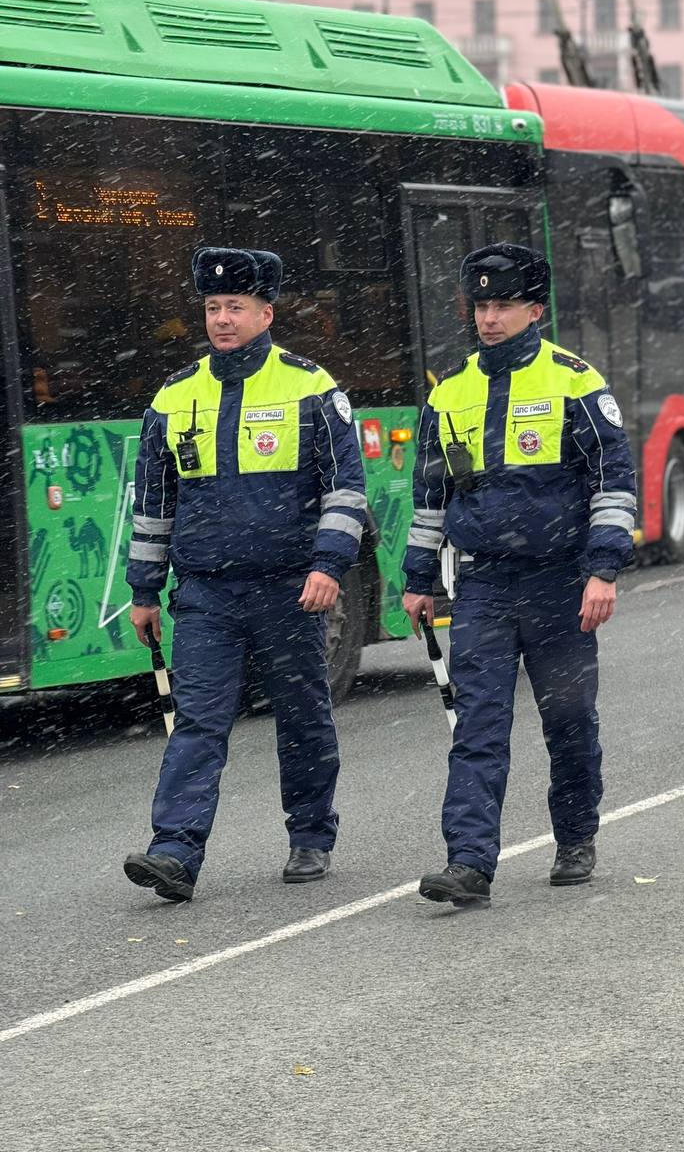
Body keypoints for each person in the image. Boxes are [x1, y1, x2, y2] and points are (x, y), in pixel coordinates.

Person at [123, 247, 366, 902]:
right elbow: (154, 504)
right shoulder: (174, 396)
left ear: (266, 311)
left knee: (302, 714)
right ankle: (174, 852)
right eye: (212, 307)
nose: (222, 319)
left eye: (235, 307)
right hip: (205, 593)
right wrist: (143, 591)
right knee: (198, 720)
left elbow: (347, 489)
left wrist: (329, 566)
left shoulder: (311, 387)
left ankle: (311, 835)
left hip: (288, 588)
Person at [402, 243, 637, 905]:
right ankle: (470, 863)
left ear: (535, 310)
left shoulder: (574, 381)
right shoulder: (448, 393)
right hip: (484, 584)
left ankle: (575, 836)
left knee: (568, 720)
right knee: (477, 725)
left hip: (561, 582)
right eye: (481, 306)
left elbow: (612, 481)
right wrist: (419, 578)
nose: (489, 318)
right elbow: (429, 497)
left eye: (503, 305)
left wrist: (603, 570)